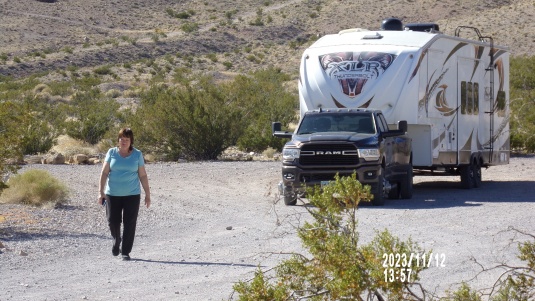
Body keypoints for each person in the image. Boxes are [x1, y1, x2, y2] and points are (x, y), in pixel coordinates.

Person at [98, 128, 151, 261]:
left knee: (130, 223)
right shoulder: (111, 152)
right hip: (112, 194)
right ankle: (117, 240)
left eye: (127, 139)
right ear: (118, 140)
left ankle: (125, 252)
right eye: (122, 139)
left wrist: (147, 194)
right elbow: (104, 173)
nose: (124, 141)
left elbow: (143, 175)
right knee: (112, 221)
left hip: (132, 195)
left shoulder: (137, 154)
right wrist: (101, 192)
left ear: (131, 141)